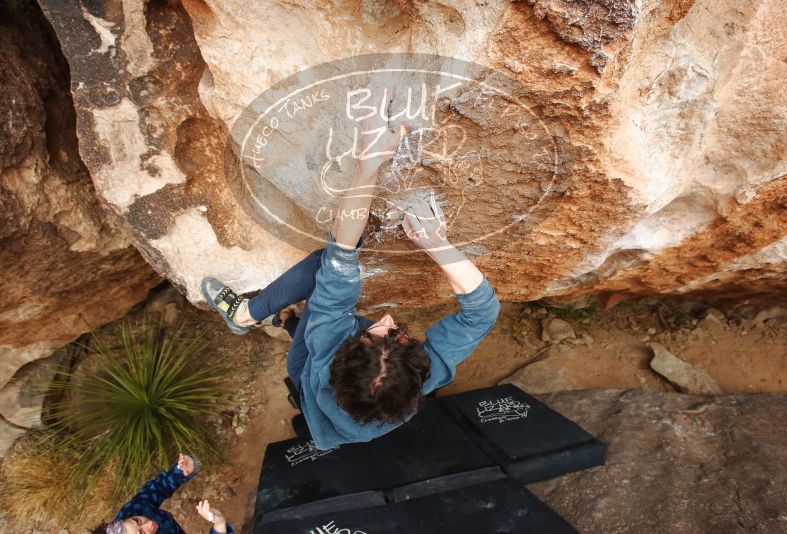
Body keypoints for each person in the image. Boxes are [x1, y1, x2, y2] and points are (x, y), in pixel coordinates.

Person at [202, 86, 500, 450]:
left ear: (342, 357)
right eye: (399, 335)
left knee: (319, 277)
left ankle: (247, 315)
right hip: (333, 407)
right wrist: (436, 242)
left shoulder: (327, 350)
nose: (389, 319)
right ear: (418, 372)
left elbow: (339, 256)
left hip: (306, 374)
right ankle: (285, 321)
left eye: (377, 333)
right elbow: (481, 313)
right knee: (314, 312)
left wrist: (369, 162)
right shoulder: (420, 376)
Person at [103, 453, 235, 534]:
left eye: (138, 521)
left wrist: (180, 472)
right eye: (142, 533)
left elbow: (157, 488)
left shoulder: (132, 511)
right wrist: (219, 525)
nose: (149, 524)